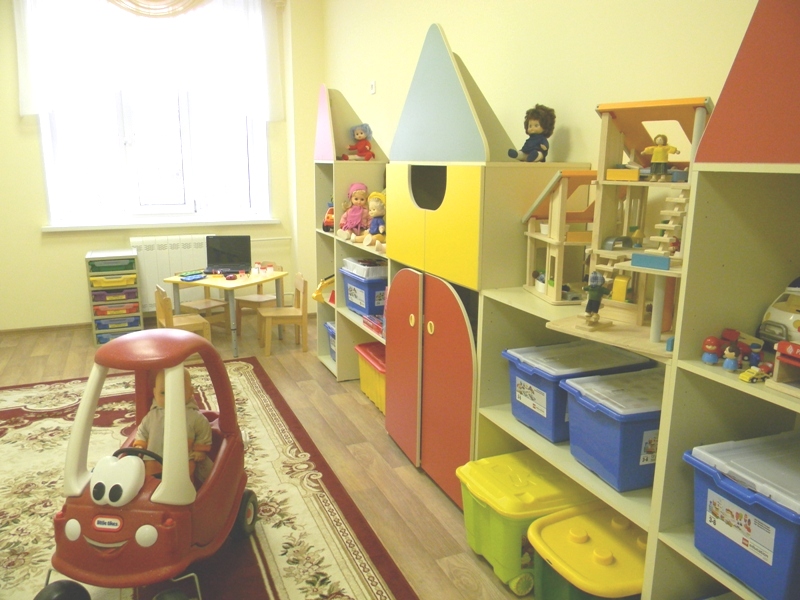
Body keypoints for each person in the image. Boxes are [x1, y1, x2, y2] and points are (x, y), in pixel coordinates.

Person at [133, 368, 213, 484]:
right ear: (155, 393)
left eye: (177, 392)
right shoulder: (151, 416)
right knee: (149, 480)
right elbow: (142, 431)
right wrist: (140, 444)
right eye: (163, 393)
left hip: (182, 460)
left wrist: (200, 450)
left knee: (184, 480)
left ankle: (188, 491)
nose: (170, 398)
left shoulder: (194, 416)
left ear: (190, 392)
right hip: (153, 459)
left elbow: (203, 431)